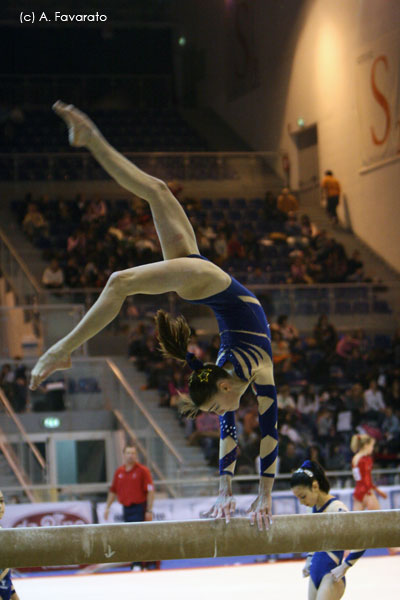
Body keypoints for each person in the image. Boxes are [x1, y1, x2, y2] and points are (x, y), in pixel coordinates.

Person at [29, 102, 278, 529]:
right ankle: (62, 349)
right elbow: (268, 432)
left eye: (217, 408)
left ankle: (91, 139)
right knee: (120, 278)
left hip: (206, 281)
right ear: (222, 384)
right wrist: (253, 494)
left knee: (157, 192)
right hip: (205, 279)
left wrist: (246, 493)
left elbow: (239, 435)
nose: (221, 415)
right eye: (218, 407)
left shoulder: (229, 377)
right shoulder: (258, 368)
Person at [290, 460, 364, 600]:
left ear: (315, 486)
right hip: (315, 574)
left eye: (303, 496)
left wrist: (346, 566)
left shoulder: (336, 508)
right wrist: (309, 559)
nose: (301, 502)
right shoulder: (310, 508)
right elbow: (314, 540)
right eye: (298, 498)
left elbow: (363, 539)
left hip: (331, 576)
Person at [104, 445, 156, 570]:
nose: (130, 455)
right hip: (126, 509)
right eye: (128, 453)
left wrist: (149, 509)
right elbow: (113, 491)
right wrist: (107, 507)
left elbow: (150, 491)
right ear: (124, 455)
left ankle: (139, 564)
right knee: (129, 536)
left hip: (140, 508)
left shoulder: (143, 471)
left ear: (136, 455)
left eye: (133, 453)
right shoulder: (119, 472)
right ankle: (136, 563)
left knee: (138, 536)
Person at [350, 434, 400, 555]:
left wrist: (377, 491)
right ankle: (392, 548)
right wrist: (372, 492)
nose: (373, 449)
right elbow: (367, 481)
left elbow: (359, 479)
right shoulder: (366, 459)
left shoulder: (355, 458)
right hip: (367, 492)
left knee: (353, 524)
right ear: (366, 445)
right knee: (381, 521)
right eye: (372, 446)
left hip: (358, 492)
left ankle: (346, 550)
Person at [0, 490, 21, 600]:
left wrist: (15, 597)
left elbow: (5, 577)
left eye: (2, 501)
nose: (0, 506)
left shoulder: (2, 531)